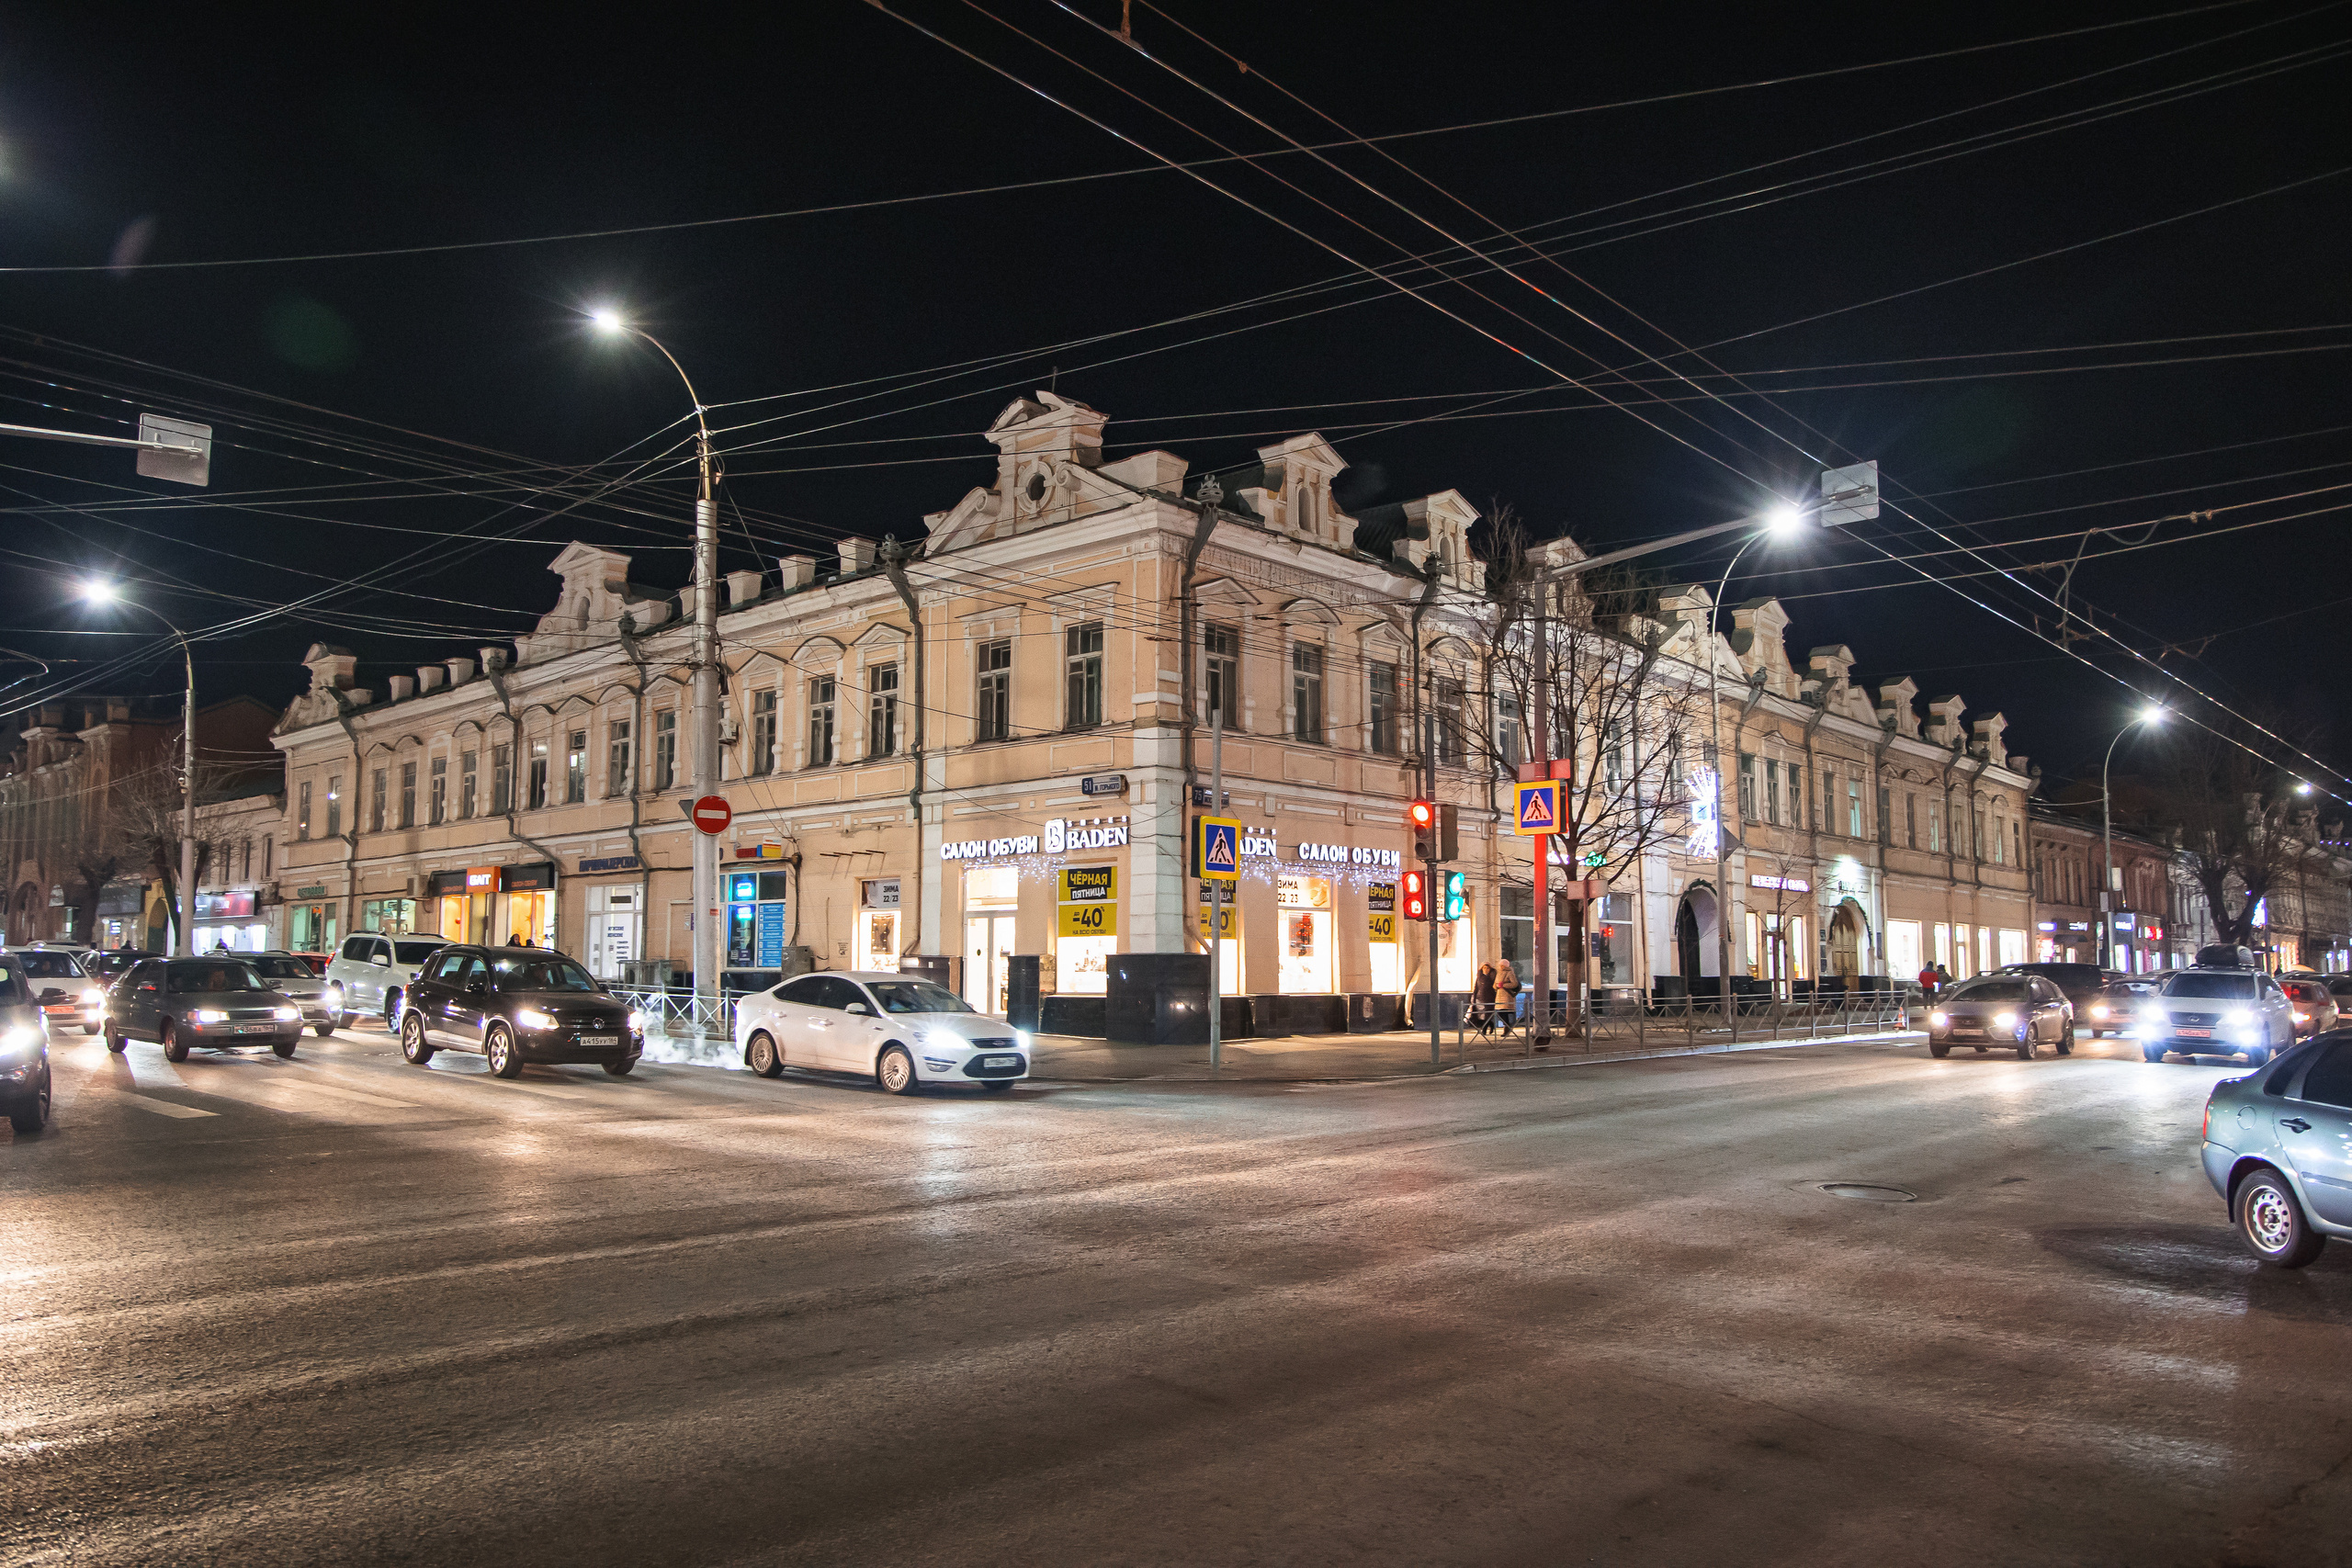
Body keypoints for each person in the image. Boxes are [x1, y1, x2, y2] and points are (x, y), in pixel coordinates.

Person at [1496, 957, 1521, 1032]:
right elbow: (1495, 983)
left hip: (1507, 995)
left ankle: (1507, 1027)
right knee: (1500, 1012)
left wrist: (1503, 985)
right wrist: (1496, 986)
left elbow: (1514, 984)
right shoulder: (1499, 973)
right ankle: (1507, 1026)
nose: (1500, 967)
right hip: (1499, 995)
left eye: (1501, 965)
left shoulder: (1510, 973)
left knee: (1504, 1012)